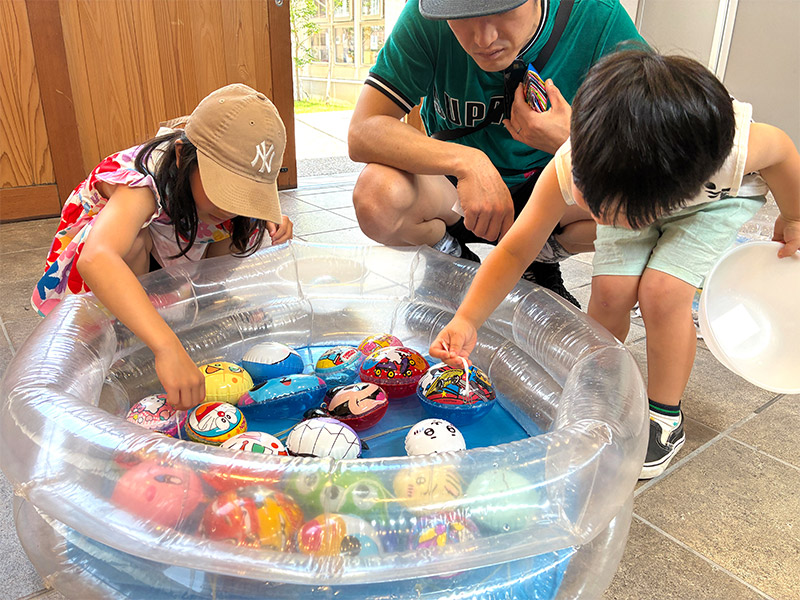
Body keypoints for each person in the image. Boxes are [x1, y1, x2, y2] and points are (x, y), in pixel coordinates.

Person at [429, 48, 800, 479]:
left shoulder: (733, 151)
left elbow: (782, 151)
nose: (599, 217)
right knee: (609, 293)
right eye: (593, 203)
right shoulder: (576, 162)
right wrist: (467, 319)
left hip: (711, 204)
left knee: (663, 292)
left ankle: (665, 416)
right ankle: (600, 390)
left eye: (613, 213)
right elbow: (515, 250)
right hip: (643, 191)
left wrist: (793, 216)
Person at [348, 0, 643, 307]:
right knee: (377, 194)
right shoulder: (428, 14)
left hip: (548, 196)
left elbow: (660, 151)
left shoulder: (597, 16)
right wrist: (468, 163)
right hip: (453, 194)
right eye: (462, 16)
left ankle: (535, 259)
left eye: (503, 11)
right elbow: (363, 129)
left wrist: (571, 140)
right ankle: (452, 260)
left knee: (640, 202)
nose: (484, 39)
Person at [32, 84, 294, 410]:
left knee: (244, 226)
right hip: (109, 266)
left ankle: (186, 305)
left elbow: (234, 218)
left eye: (247, 193)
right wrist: (166, 347)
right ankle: (128, 329)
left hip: (172, 248)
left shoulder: (218, 203)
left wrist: (259, 212)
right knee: (131, 245)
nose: (231, 205)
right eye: (225, 189)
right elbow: (97, 258)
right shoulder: (140, 181)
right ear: (183, 156)